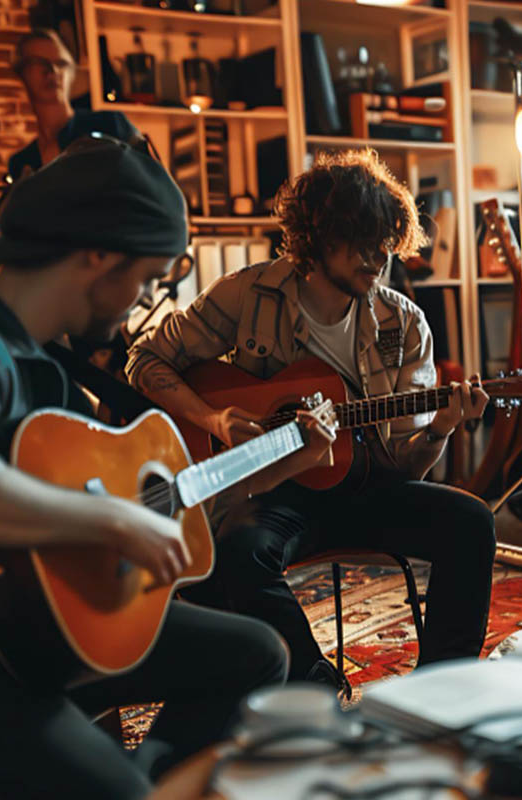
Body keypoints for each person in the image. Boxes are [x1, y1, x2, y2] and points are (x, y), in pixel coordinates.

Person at [0, 135, 336, 800]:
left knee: (256, 654)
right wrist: (108, 521)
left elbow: (148, 505)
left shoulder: (42, 365)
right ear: (98, 255)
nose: (144, 298)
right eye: (147, 277)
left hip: (33, 631)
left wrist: (273, 467)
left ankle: (139, 780)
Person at [126, 148, 497, 685]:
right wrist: (214, 420)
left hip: (369, 489)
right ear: (320, 236)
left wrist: (441, 428)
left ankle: (442, 685)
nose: (377, 258)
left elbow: (407, 468)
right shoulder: (249, 294)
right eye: (362, 241)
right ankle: (312, 683)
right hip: (278, 493)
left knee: (471, 521)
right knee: (238, 550)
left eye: (385, 244)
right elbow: (144, 359)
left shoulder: (404, 324)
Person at [5, 29, 138, 182]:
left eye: (61, 63)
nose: (52, 71)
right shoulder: (21, 163)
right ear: (20, 72)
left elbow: (149, 181)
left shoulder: (110, 125)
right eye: (39, 62)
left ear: (72, 71)